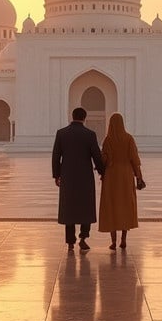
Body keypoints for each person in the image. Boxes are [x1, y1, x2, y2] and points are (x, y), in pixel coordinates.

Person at [52, 107, 105, 251]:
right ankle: (83, 238)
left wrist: (57, 175)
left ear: (72, 116)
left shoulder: (62, 133)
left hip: (67, 177)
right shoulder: (90, 135)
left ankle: (70, 242)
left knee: (69, 208)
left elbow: (56, 156)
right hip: (85, 177)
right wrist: (102, 172)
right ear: (84, 118)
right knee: (85, 207)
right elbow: (97, 156)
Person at [98, 112, 144, 250]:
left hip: (111, 177)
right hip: (125, 176)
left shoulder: (108, 140)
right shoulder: (128, 139)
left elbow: (104, 160)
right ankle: (123, 240)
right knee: (125, 206)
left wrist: (102, 168)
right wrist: (139, 177)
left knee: (111, 206)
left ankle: (113, 242)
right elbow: (135, 160)